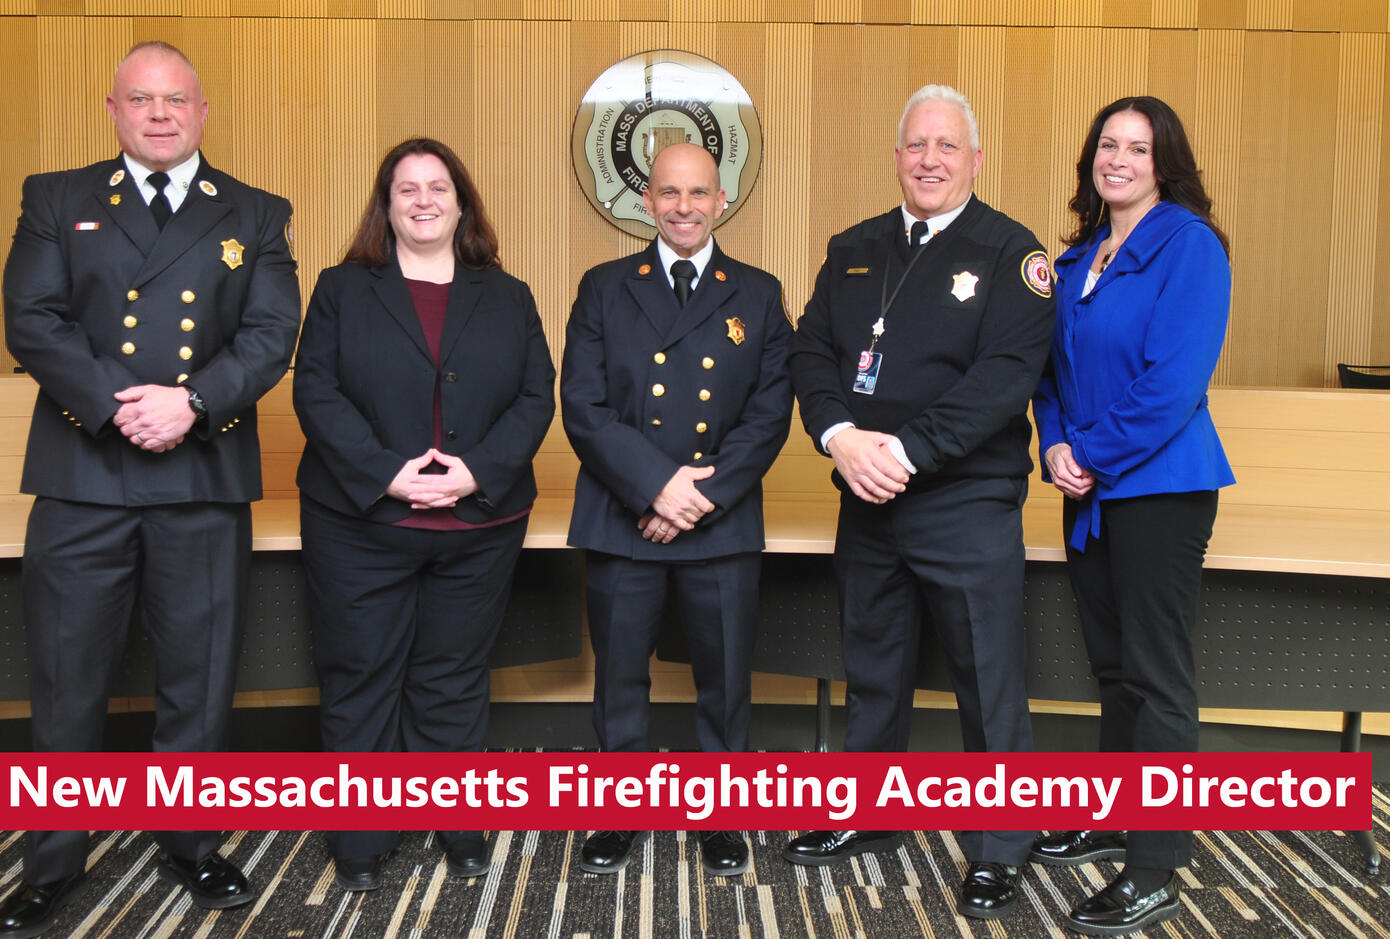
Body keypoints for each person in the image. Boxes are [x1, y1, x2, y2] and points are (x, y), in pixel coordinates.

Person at [0, 40, 300, 937]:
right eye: (142, 98)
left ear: (203, 112)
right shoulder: (56, 197)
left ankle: (191, 843)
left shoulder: (256, 210)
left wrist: (191, 402)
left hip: (200, 474)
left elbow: (271, 332)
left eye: (176, 99)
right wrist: (118, 405)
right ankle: (52, 862)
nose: (160, 113)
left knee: (197, 683)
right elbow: (31, 318)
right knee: (65, 679)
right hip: (82, 471)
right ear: (113, 109)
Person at [783, 85, 1055, 920]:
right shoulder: (854, 246)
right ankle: (869, 811)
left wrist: (900, 450)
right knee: (874, 666)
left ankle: (1003, 844)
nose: (929, 159)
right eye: (915, 146)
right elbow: (810, 354)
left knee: (986, 676)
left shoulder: (1013, 253)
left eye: (946, 146)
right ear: (896, 157)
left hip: (964, 499)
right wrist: (839, 438)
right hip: (865, 495)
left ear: (976, 159)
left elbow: (1004, 381)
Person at [292, 137, 556, 891]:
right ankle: (362, 832)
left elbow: (538, 393)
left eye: (437, 186)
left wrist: (474, 472)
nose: (423, 200)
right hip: (361, 521)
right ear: (387, 205)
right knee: (361, 674)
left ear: (462, 202)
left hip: (479, 526)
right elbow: (315, 390)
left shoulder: (508, 294)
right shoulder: (342, 288)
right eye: (406, 189)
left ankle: (457, 819)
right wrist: (388, 475)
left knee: (454, 676)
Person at [1028, 95, 1234, 936]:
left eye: (1136, 148)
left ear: (1164, 162)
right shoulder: (1078, 259)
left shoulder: (1189, 245)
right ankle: (1115, 814)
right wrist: (1053, 446)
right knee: (1112, 671)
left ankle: (1154, 867)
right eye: (1106, 145)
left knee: (1157, 678)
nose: (1117, 159)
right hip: (1088, 490)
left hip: (1159, 489)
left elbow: (1174, 383)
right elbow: (1048, 376)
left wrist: (1089, 452)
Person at [560, 142, 793, 877]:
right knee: (620, 674)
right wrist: (656, 487)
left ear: (721, 201)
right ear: (647, 201)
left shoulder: (757, 292)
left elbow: (769, 412)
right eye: (669, 193)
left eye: (697, 193)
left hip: (716, 519)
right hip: (626, 513)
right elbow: (584, 405)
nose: (683, 206)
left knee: (724, 678)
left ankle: (720, 816)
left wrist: (695, 497)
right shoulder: (603, 286)